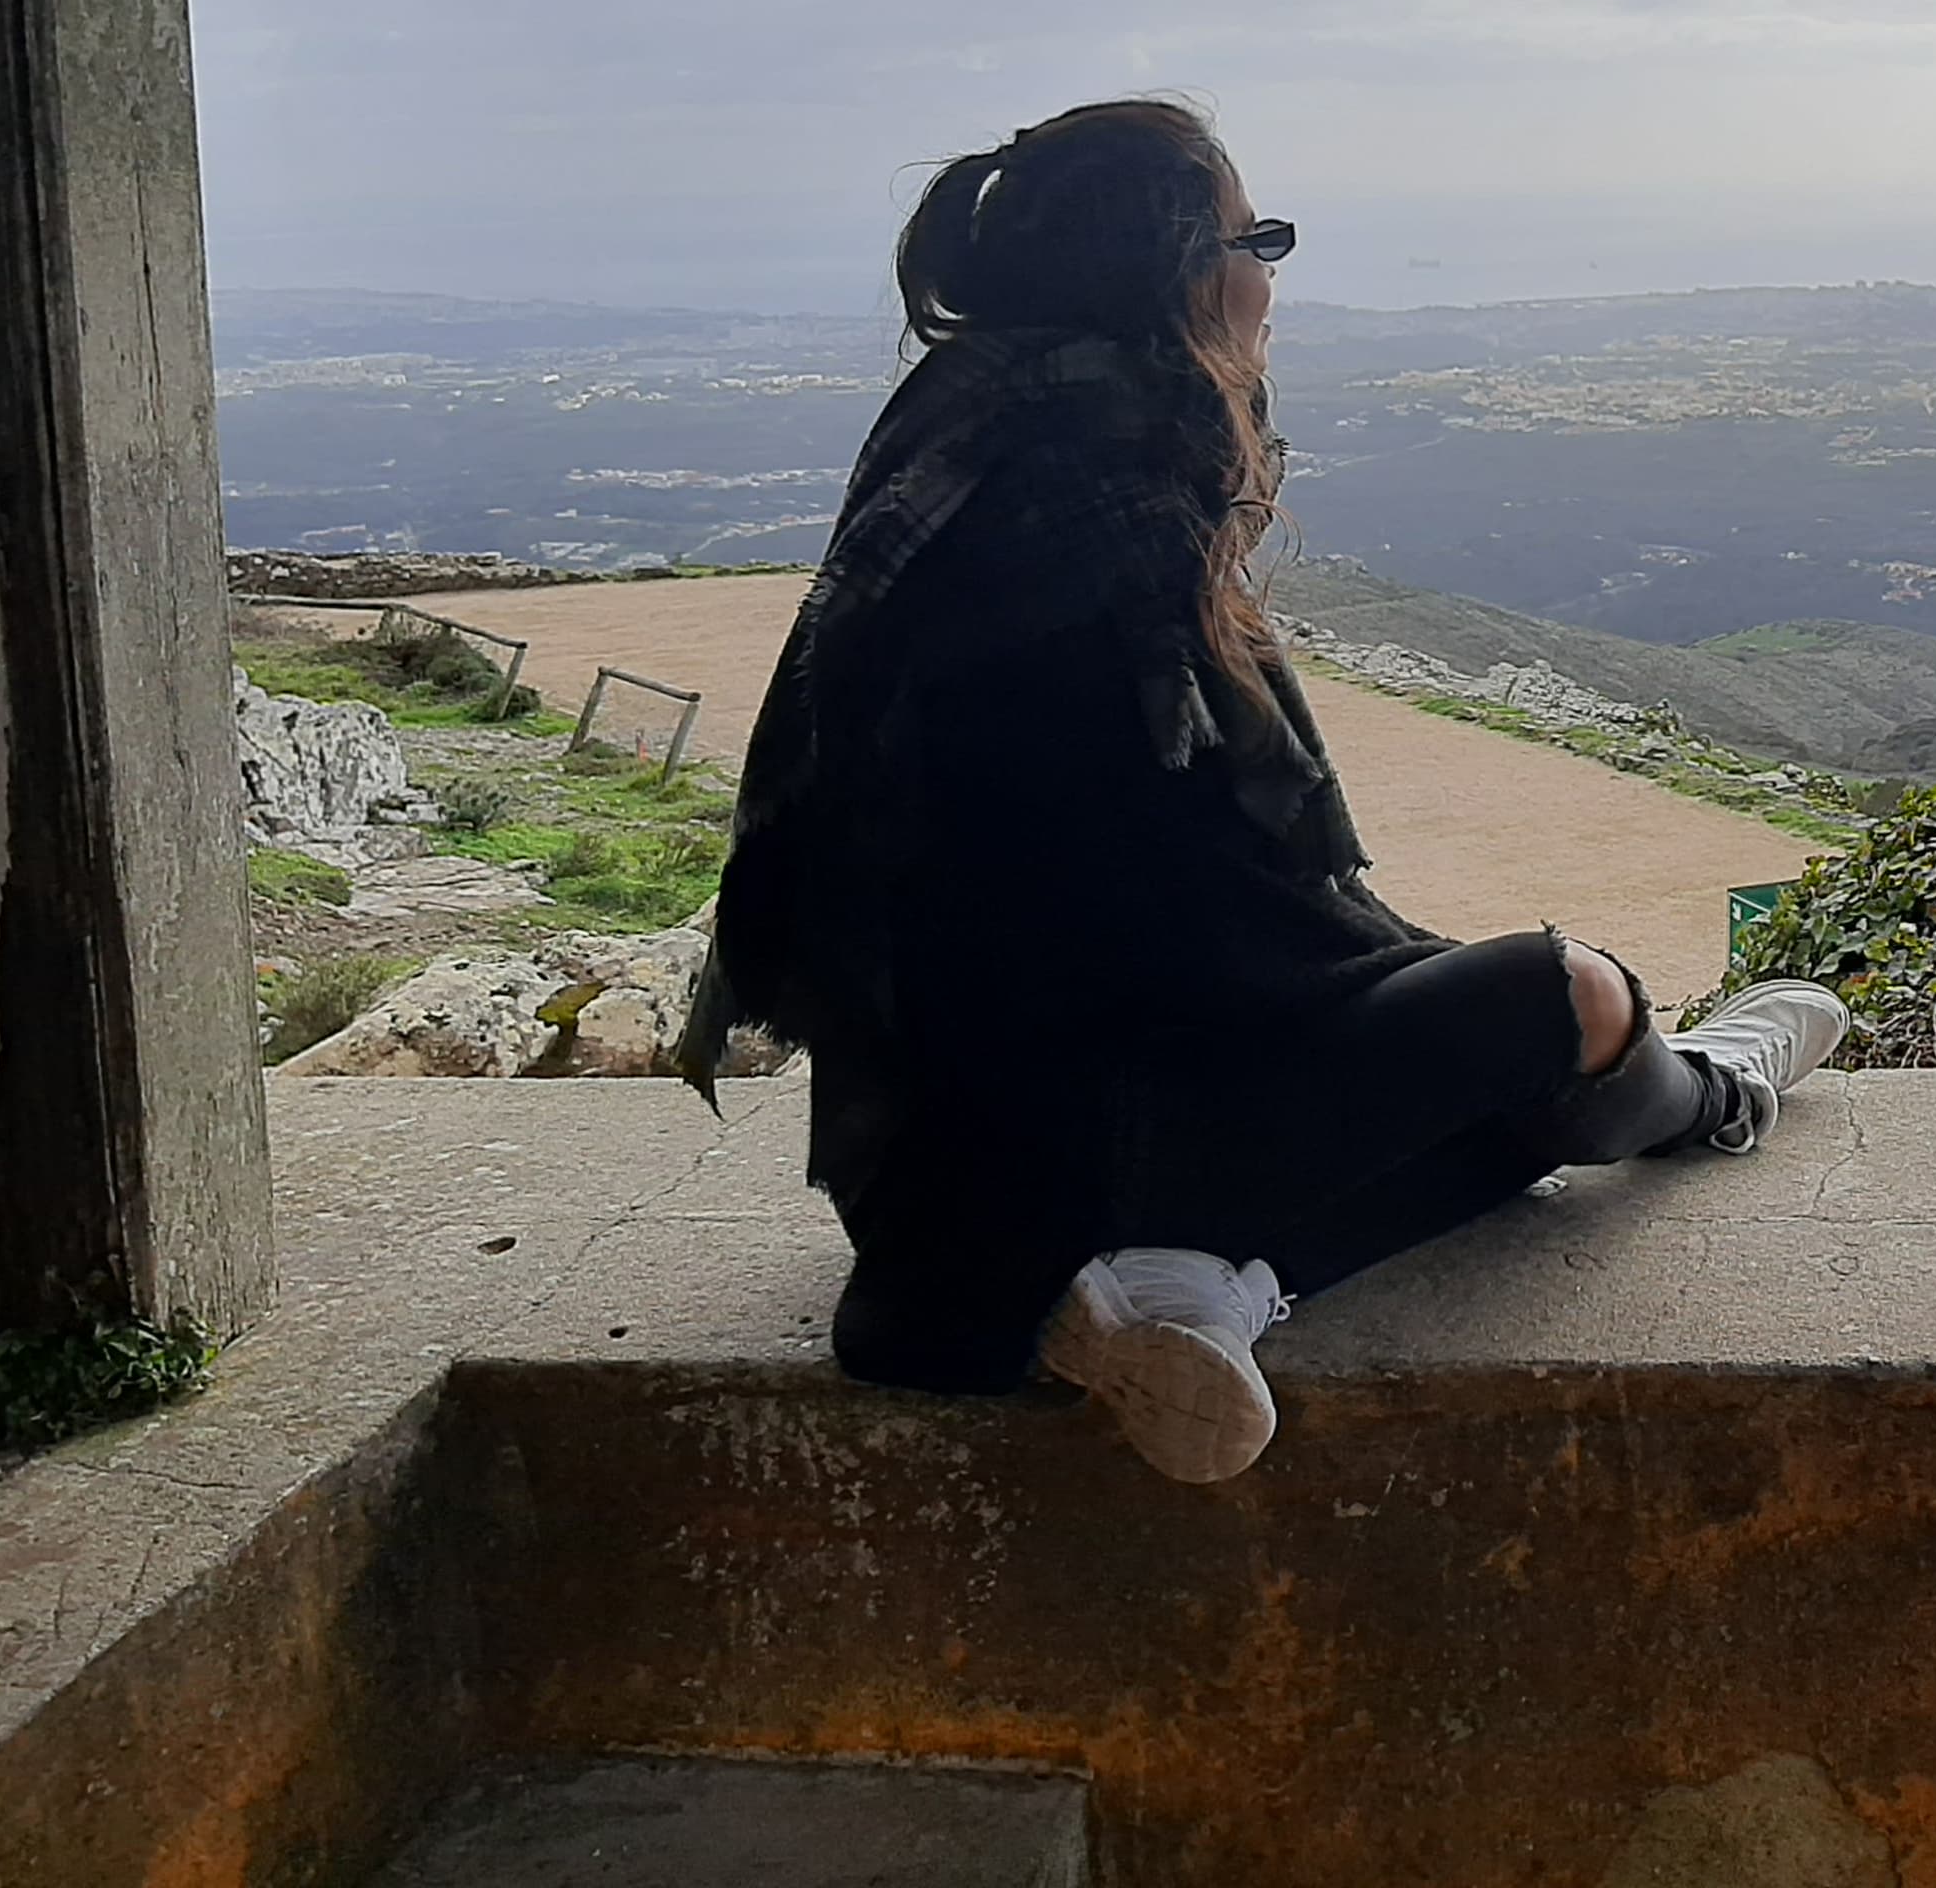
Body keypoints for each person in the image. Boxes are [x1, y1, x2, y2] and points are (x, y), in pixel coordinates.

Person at [679, 97, 1846, 1482]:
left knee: (1495, 1034)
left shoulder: (960, 454)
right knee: (1563, 999)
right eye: (1260, 238)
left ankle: (1200, 1283)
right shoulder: (1095, 531)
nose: (1273, 276)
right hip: (1087, 1146)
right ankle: (1708, 1092)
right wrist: (1461, 1000)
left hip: (925, 1181)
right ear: (1180, 271)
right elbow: (1209, 932)